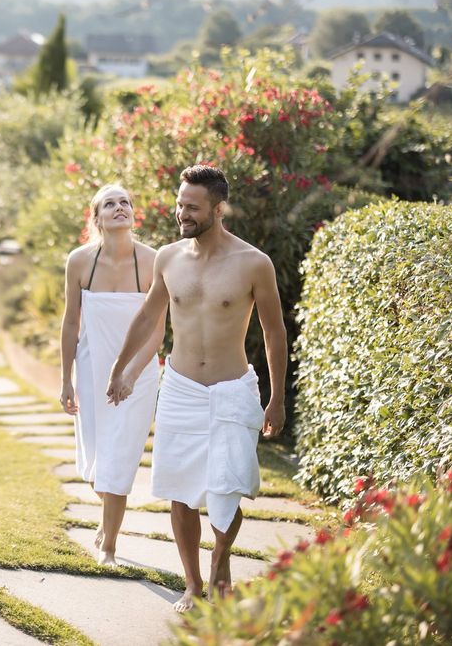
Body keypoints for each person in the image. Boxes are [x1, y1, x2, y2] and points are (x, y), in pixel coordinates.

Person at [106, 164, 287, 613]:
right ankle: (192, 583)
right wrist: (119, 367)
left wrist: (277, 399)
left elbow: (274, 333)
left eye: (192, 206)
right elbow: (149, 316)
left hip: (232, 390)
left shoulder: (253, 263)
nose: (182, 213)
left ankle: (220, 563)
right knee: (180, 491)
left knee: (227, 487)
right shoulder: (168, 257)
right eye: (179, 203)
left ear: (218, 208)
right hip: (182, 389)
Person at [60, 183, 165, 566]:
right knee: (95, 467)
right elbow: (71, 323)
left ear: (132, 213)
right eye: (110, 203)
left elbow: (157, 331)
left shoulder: (154, 261)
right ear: (97, 217)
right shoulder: (79, 261)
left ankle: (109, 546)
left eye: (125, 201)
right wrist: (65, 379)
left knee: (119, 459)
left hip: (138, 376)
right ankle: (108, 517)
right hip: (91, 373)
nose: (119, 207)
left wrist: (131, 375)